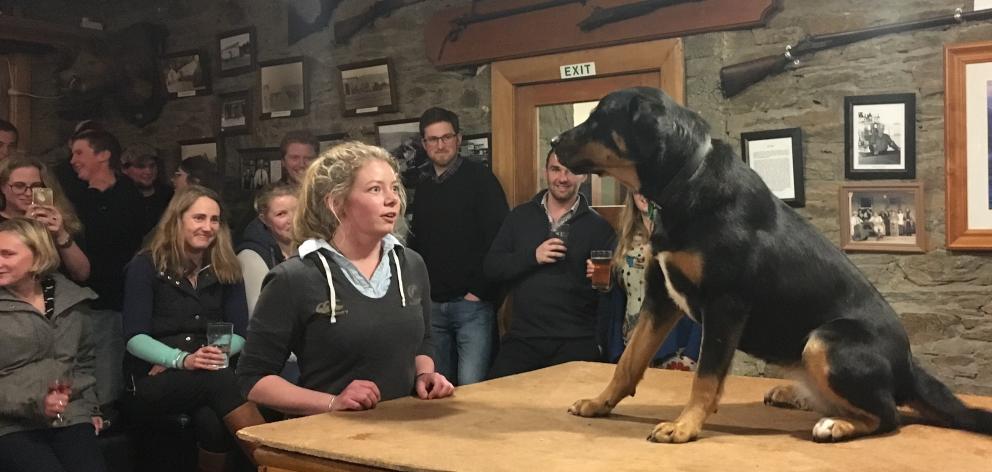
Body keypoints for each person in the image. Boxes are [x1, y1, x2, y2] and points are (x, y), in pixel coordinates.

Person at [238, 142, 454, 416]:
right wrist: (331, 402)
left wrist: (425, 375)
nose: (392, 199)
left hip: (405, 430)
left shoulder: (410, 264)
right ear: (336, 203)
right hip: (331, 438)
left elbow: (423, 340)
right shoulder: (294, 278)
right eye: (375, 189)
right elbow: (253, 379)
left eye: (394, 187)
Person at [121, 185, 263, 470]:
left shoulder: (225, 266)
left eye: (214, 220)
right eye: (199, 218)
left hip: (206, 370)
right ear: (178, 219)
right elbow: (135, 337)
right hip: (151, 378)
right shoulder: (146, 265)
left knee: (212, 422)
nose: (208, 227)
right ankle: (282, 465)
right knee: (221, 379)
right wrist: (180, 360)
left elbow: (238, 332)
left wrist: (205, 357)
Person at [484, 150, 616, 379]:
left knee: (574, 408)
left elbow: (606, 291)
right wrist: (532, 257)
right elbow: (492, 268)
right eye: (556, 169)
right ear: (546, 172)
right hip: (524, 338)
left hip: (576, 339)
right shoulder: (520, 217)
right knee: (492, 399)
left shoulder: (599, 227)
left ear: (584, 175)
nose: (562, 178)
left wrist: (603, 278)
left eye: (571, 170)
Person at [408, 107, 508, 386]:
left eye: (446, 137)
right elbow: (419, 243)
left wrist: (478, 292)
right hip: (433, 307)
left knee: (474, 388)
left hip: (472, 307)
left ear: (459, 139)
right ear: (424, 144)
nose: (440, 145)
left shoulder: (481, 180)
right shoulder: (425, 186)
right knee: (438, 389)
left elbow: (499, 239)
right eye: (433, 139)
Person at [0, 217, 107, 472]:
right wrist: (37, 401)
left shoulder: (71, 298)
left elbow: (83, 361)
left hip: (68, 414)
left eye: (7, 254)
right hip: (9, 421)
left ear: (37, 257)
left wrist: (90, 408)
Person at [70, 128, 147, 409]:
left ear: (102, 155)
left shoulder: (129, 195)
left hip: (115, 295)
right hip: (77, 295)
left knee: (109, 364)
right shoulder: (74, 197)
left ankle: (107, 416)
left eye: (79, 152)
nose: (72, 160)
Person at [595, 193, 701, 370]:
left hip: (674, 354)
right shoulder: (622, 242)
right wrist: (609, 347)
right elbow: (613, 299)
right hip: (630, 350)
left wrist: (692, 354)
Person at [0, 156, 90, 283]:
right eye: (19, 186)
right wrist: (27, 230)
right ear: (3, 187)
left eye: (36, 186)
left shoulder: (56, 218)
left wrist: (61, 234)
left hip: (59, 295)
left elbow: (82, 274)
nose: (28, 193)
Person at [237, 182, 298, 314]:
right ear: (264, 220)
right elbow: (260, 314)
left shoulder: (313, 249)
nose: (293, 220)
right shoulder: (251, 256)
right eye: (281, 214)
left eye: (297, 210)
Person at [121, 143, 174, 231]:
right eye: (141, 166)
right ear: (125, 169)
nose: (148, 171)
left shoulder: (168, 195)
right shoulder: (119, 198)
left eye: (152, 166)